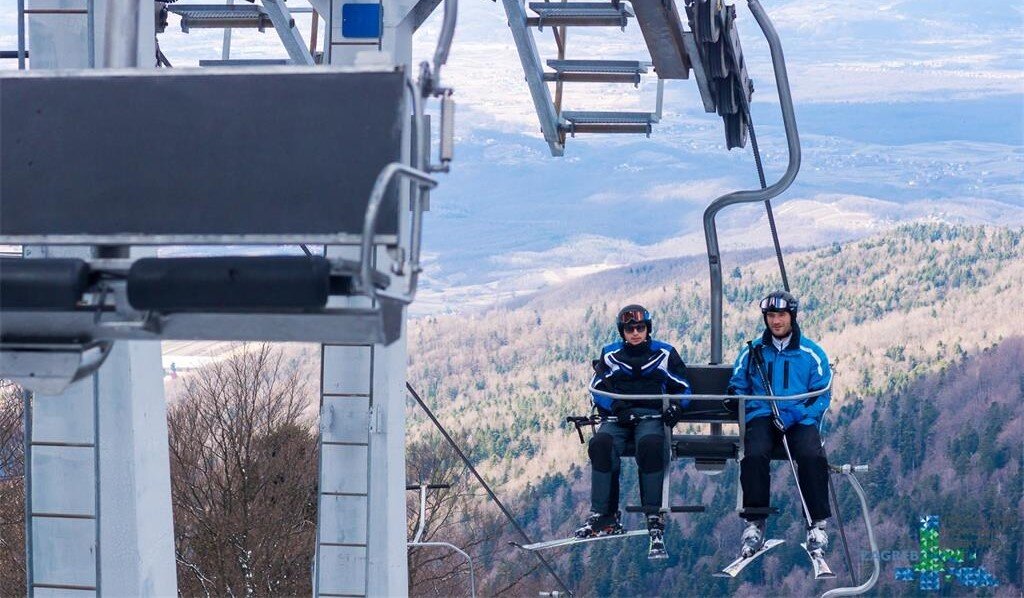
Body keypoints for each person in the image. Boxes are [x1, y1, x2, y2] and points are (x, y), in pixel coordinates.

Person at [575, 304, 692, 557]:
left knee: (650, 444)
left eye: (640, 328)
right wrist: (616, 406)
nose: (636, 333)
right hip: (618, 417)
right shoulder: (610, 354)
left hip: (651, 415)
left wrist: (677, 408)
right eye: (630, 329)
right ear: (623, 332)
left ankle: (653, 514)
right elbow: (597, 388)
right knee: (601, 445)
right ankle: (604, 514)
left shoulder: (664, 353)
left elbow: (683, 386)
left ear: (647, 329)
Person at [727, 291, 833, 559]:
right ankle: (755, 521)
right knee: (754, 453)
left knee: (810, 454)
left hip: (798, 417)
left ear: (792, 317)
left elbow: (822, 394)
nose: (776, 321)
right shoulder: (753, 352)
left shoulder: (810, 353)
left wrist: (796, 413)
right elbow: (738, 384)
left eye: (781, 315)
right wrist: (738, 400)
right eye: (771, 316)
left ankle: (817, 522)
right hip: (763, 414)